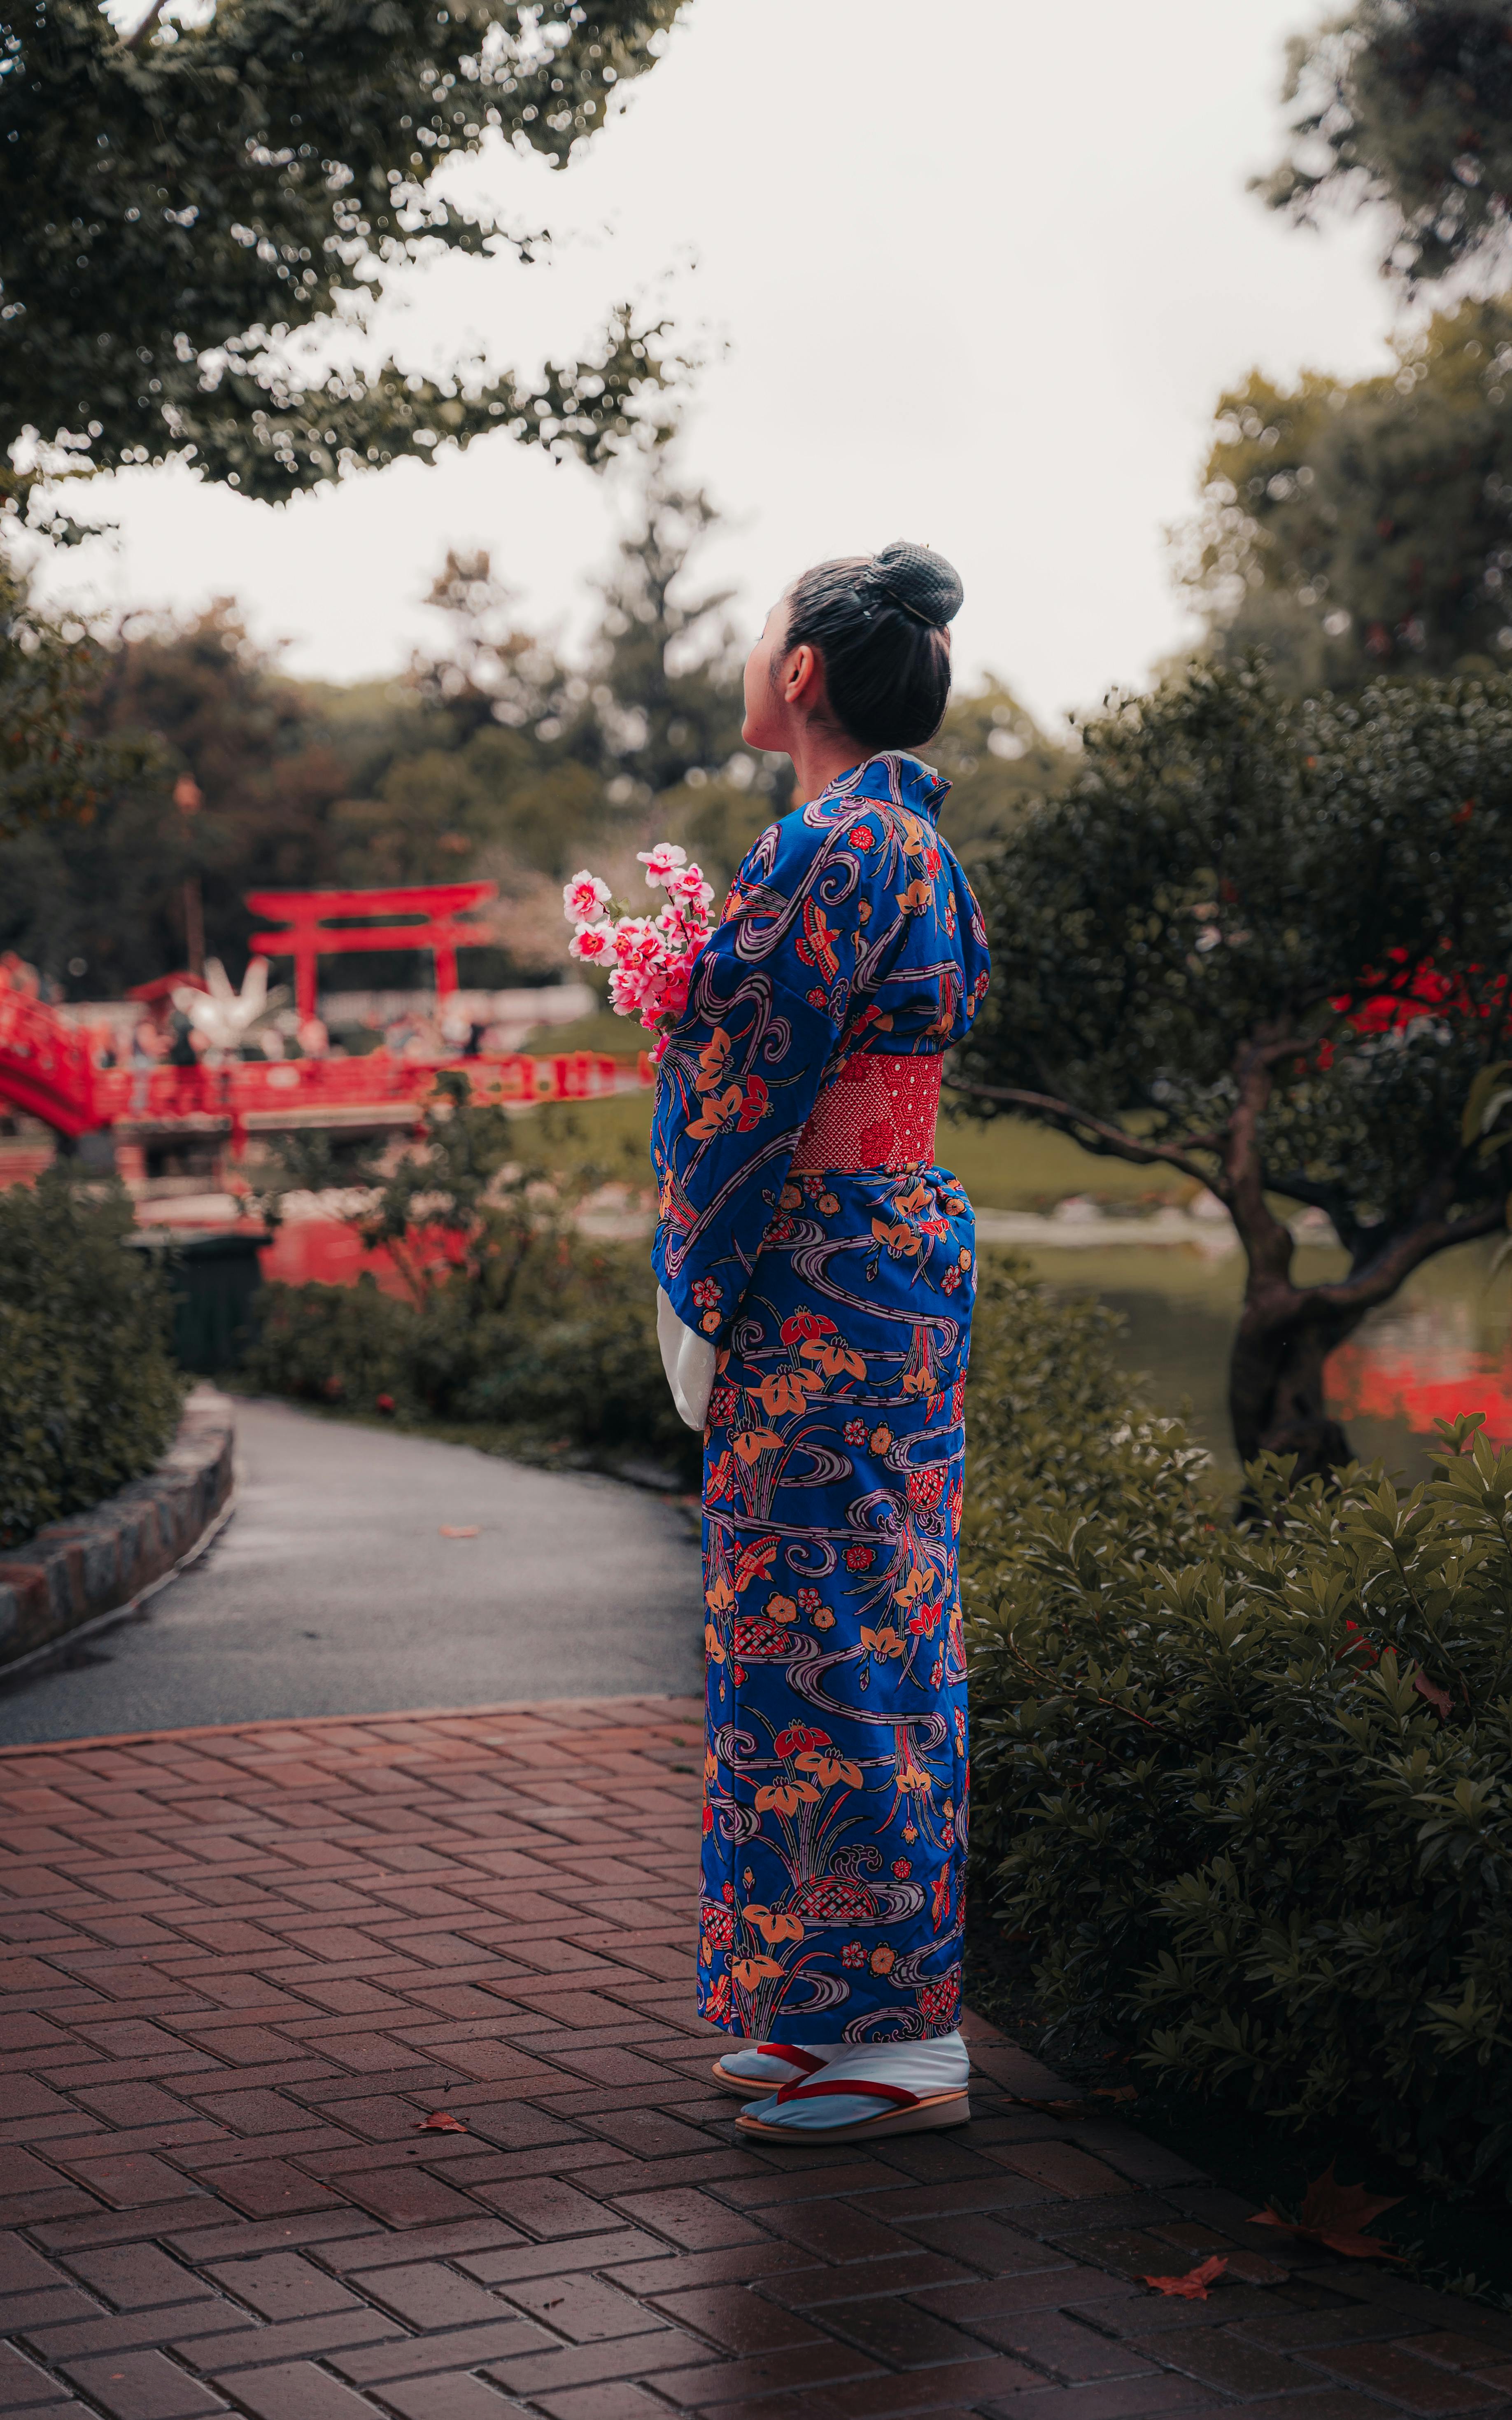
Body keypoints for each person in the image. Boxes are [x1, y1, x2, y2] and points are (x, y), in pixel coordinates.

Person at [651, 541, 991, 2143]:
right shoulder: (904, 844)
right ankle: (818, 2006)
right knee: (840, 1607)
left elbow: (747, 1083)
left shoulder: (823, 851)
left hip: (824, 1272)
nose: (749, 655)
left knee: (834, 1617)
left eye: (759, 635)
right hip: (888, 1250)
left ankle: (901, 2035)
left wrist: (690, 1276)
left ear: (802, 677)